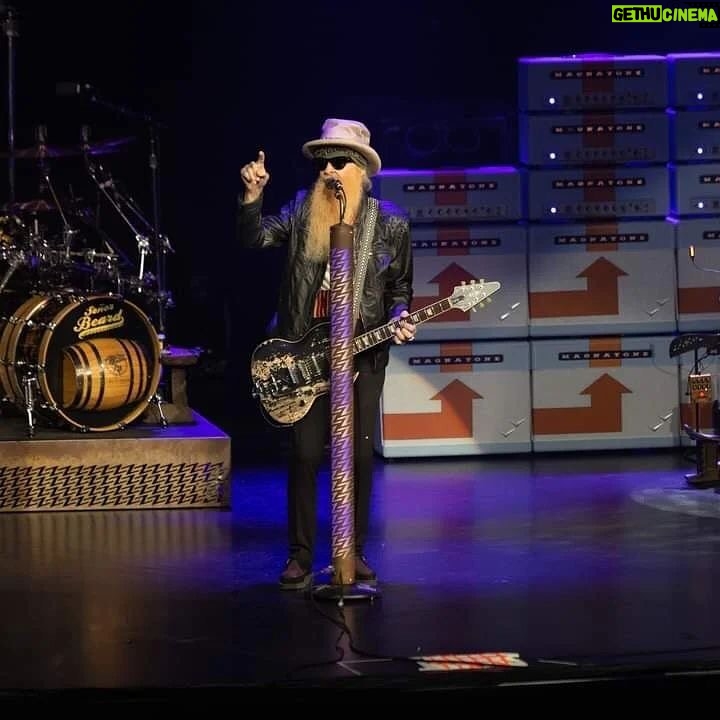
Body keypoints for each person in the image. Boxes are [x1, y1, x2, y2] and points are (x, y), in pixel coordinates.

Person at [237, 118, 416, 590]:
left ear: (361, 170)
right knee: (305, 453)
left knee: (358, 454)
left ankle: (352, 551)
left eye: (340, 162)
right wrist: (252, 198)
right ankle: (299, 554)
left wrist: (401, 317)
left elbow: (400, 288)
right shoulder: (300, 210)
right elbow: (254, 239)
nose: (329, 171)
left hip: (362, 353)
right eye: (322, 164)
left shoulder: (390, 222)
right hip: (306, 353)